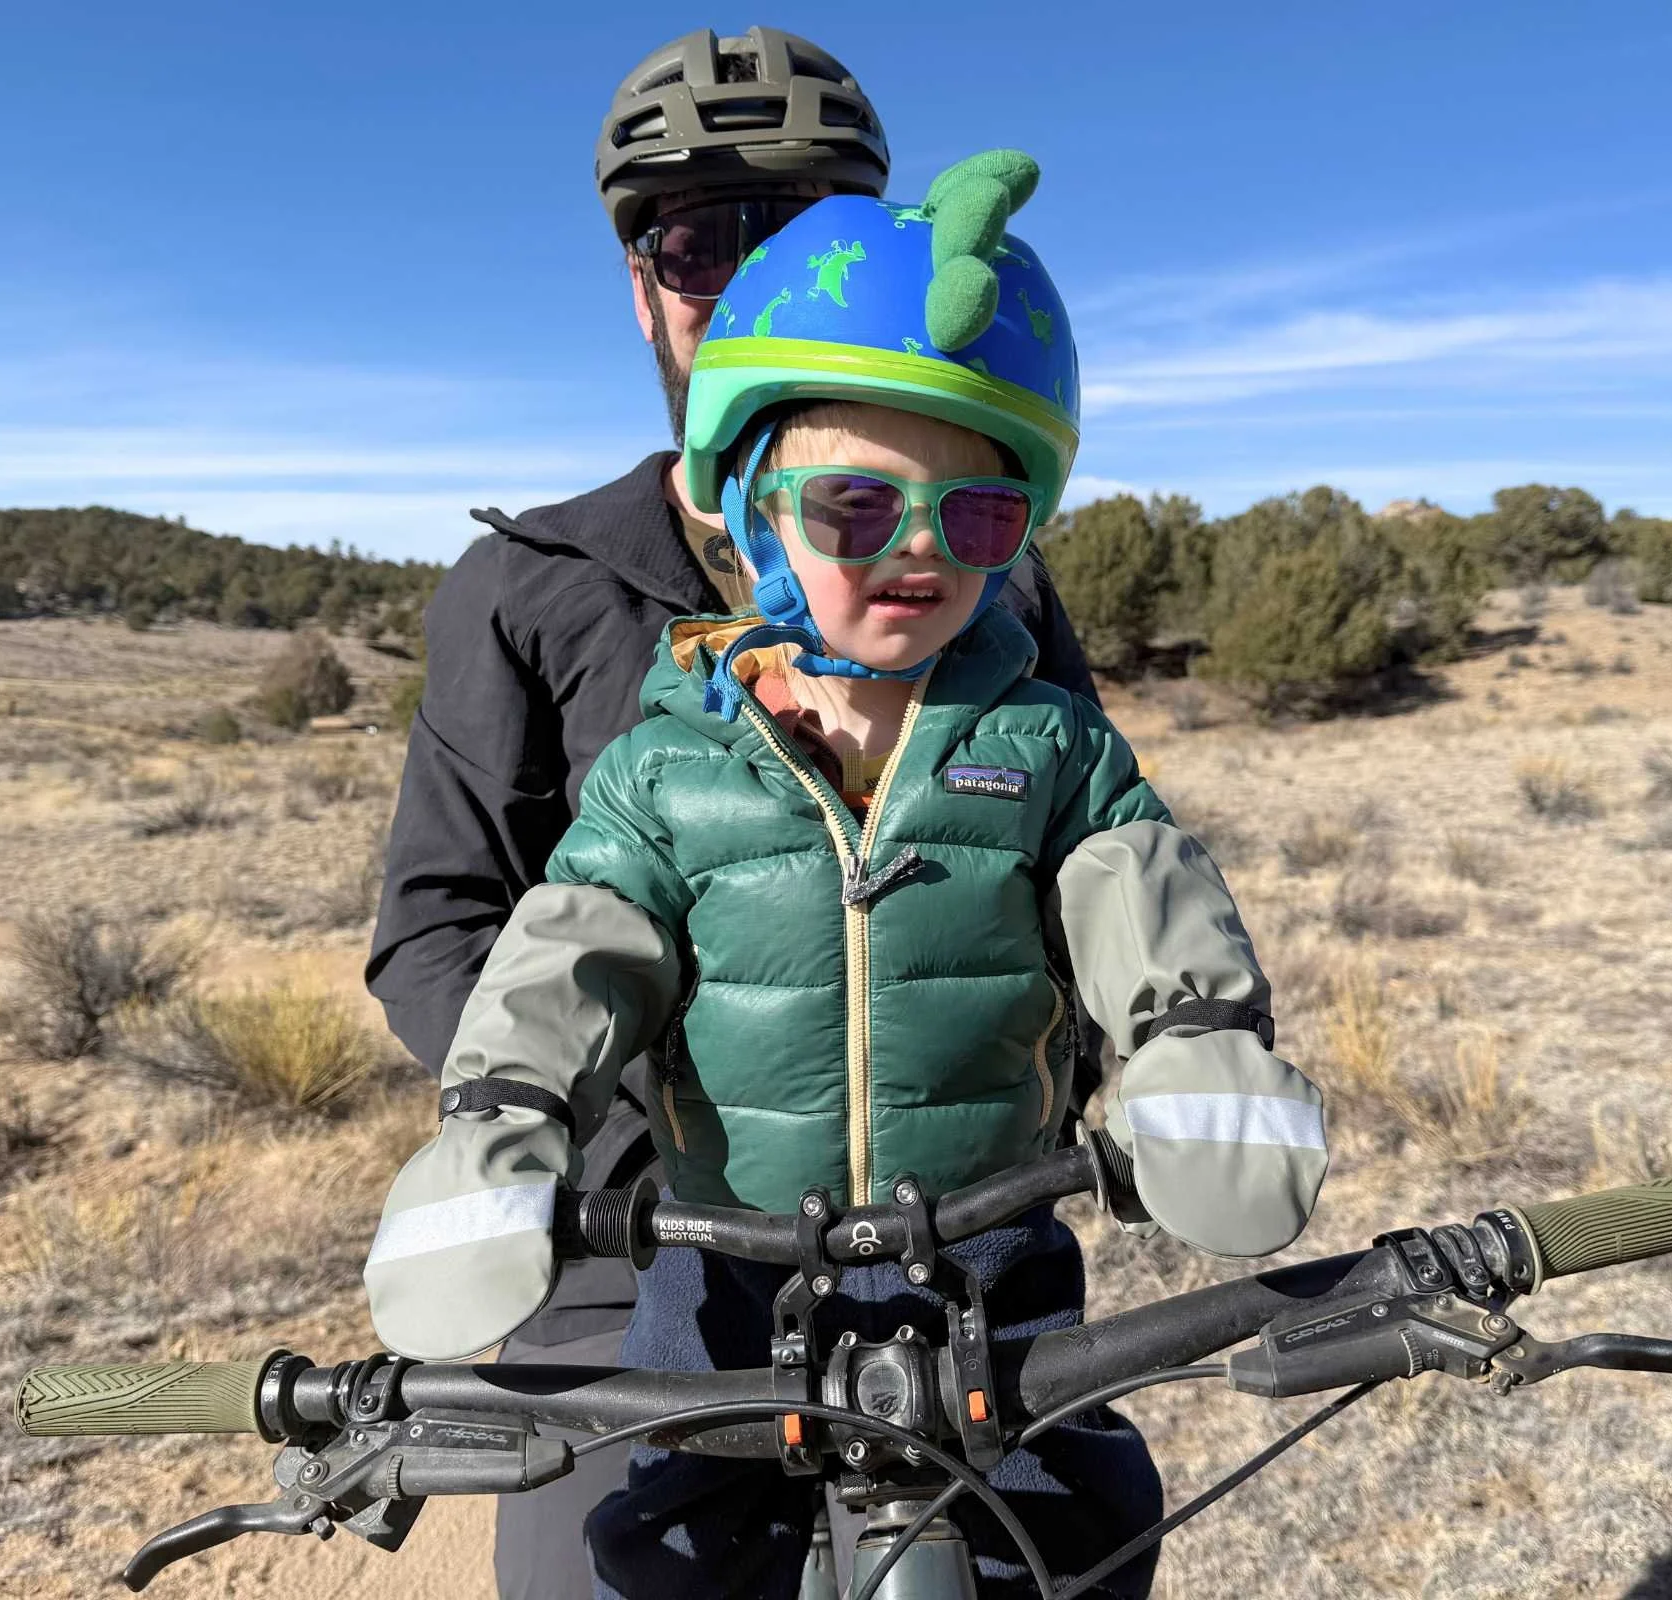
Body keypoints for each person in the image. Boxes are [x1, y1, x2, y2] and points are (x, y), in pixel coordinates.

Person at [364, 151, 1329, 1598]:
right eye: (857, 512)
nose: (920, 553)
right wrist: (502, 1119)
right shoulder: (672, 769)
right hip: (731, 1263)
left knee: (1085, 1523)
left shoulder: (1045, 740)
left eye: (979, 519)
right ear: (754, 510)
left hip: (987, 1251)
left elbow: (1143, 888)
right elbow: (573, 945)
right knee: (661, 1544)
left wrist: (1196, 1045)